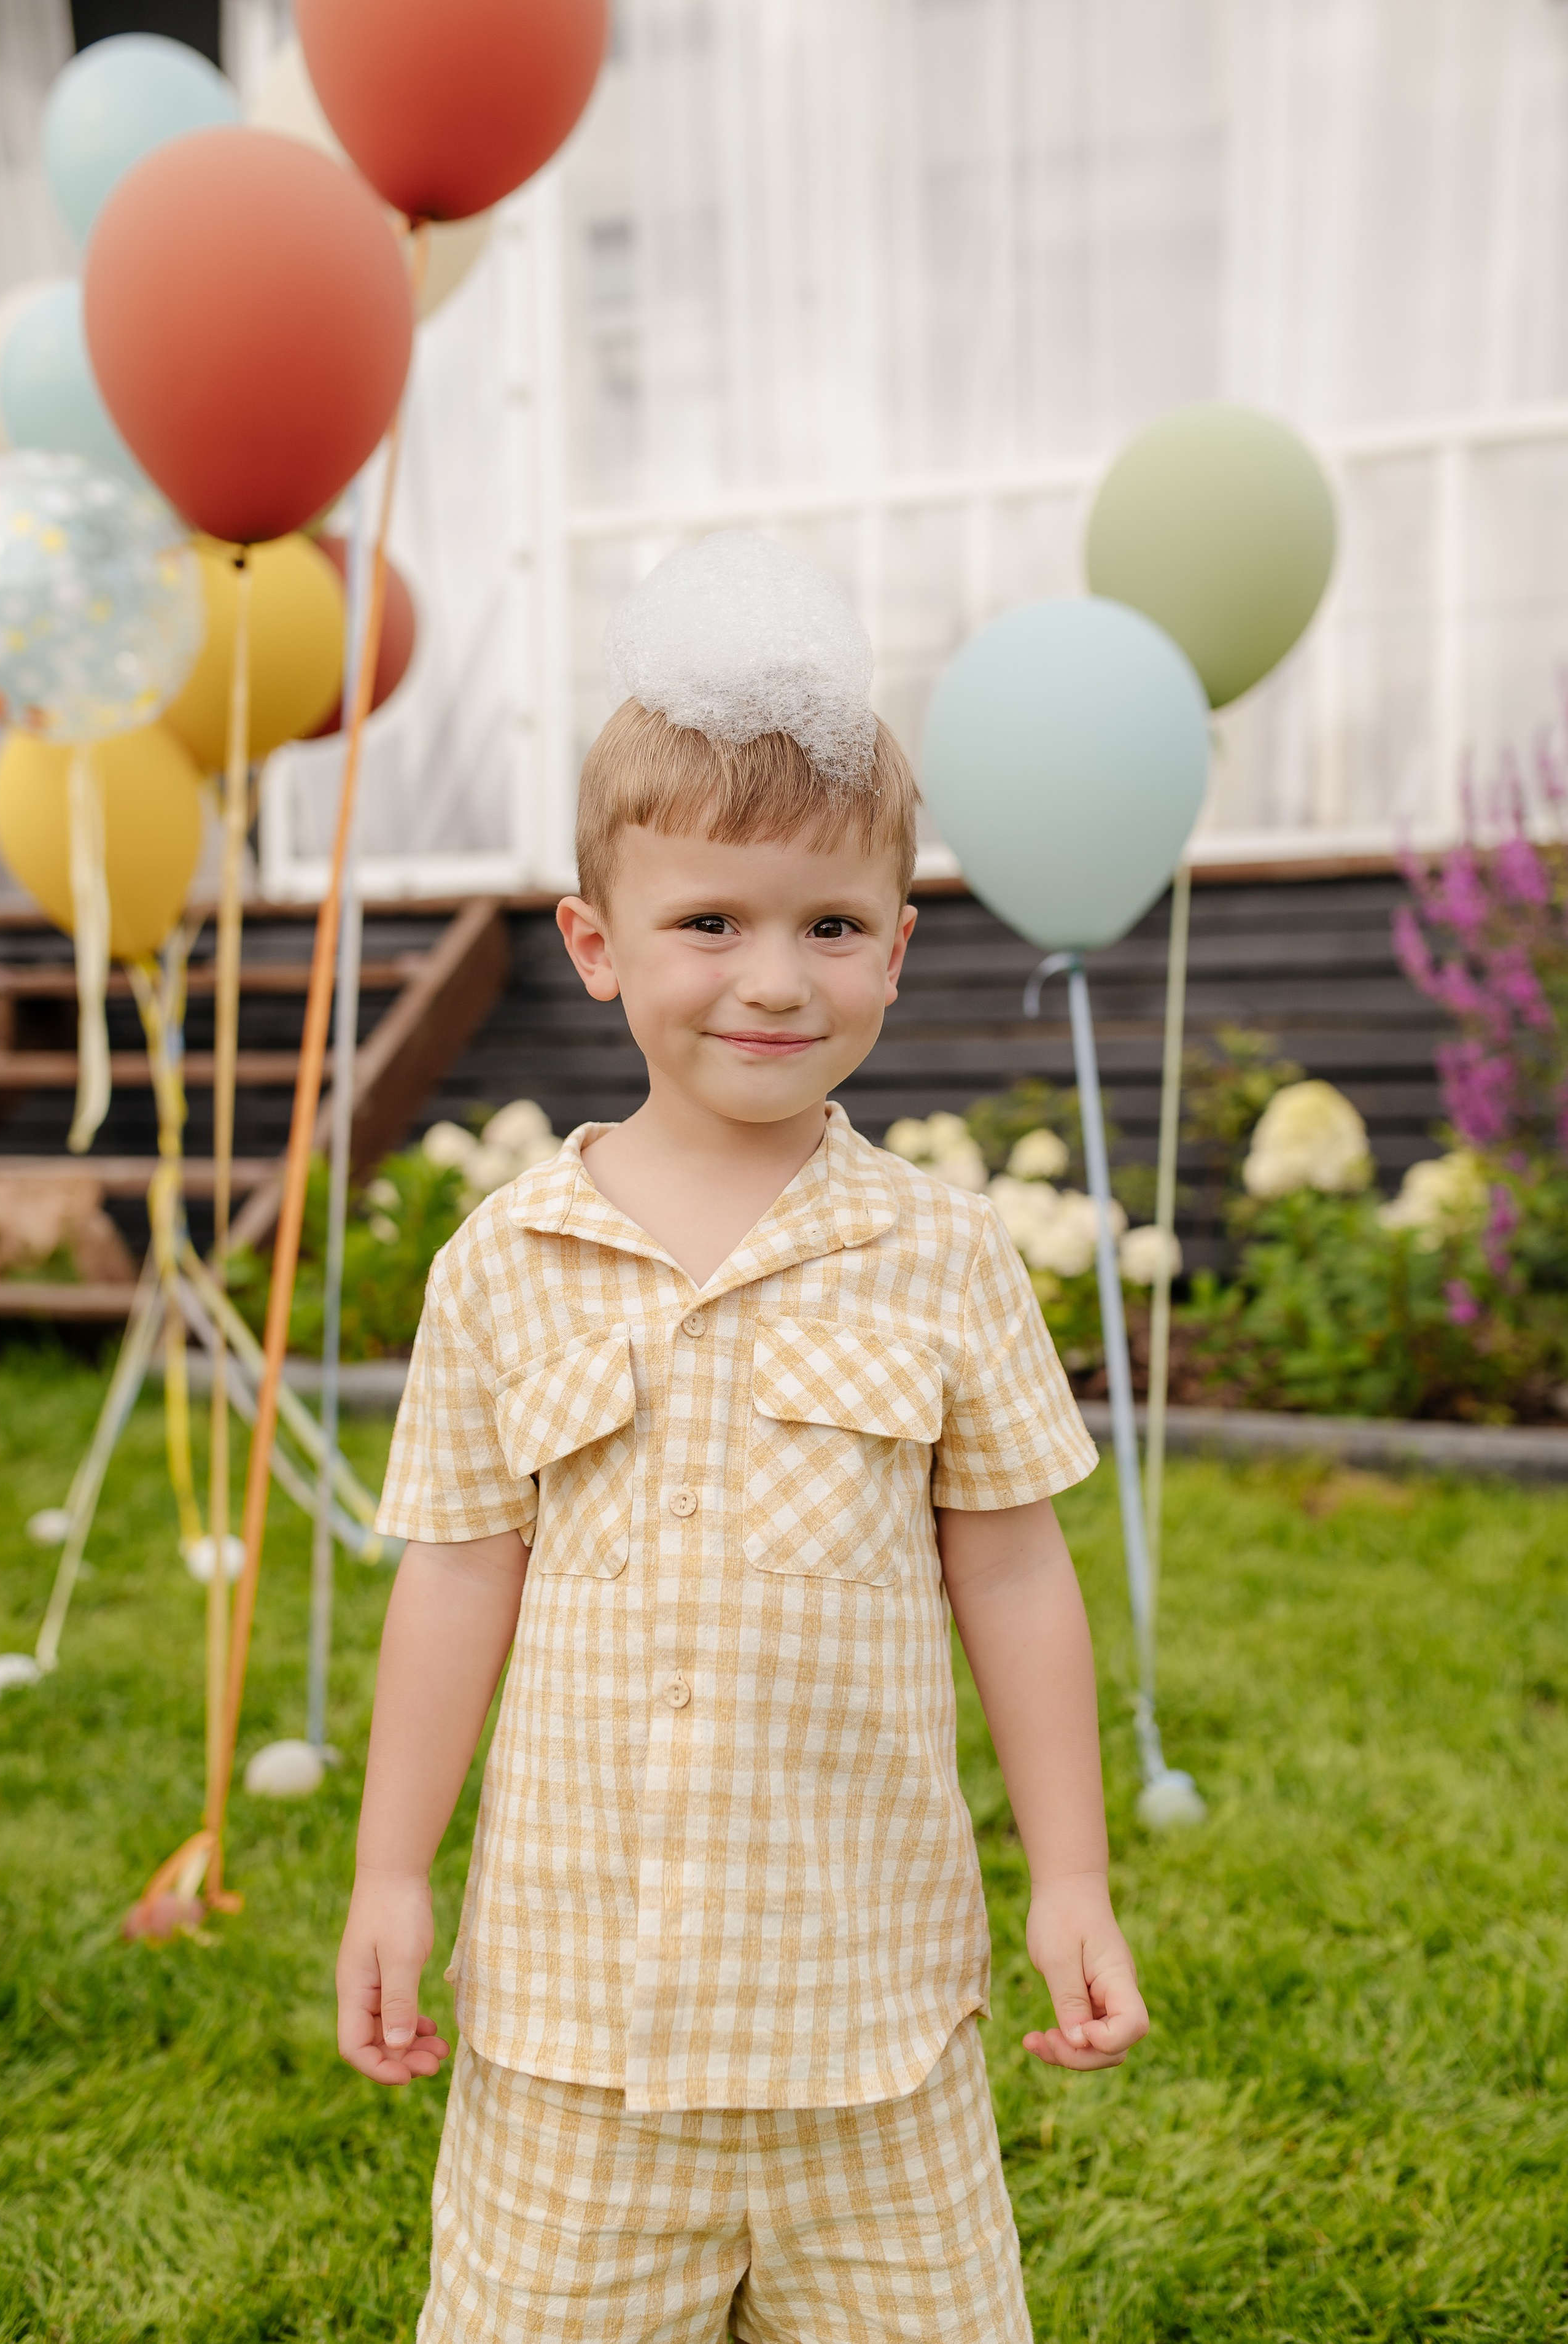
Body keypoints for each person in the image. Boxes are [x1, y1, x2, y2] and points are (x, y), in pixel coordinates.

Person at [337, 532, 1149, 2342]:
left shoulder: (939, 1254)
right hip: (571, 2042)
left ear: (896, 947)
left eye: (828, 926)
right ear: (597, 942)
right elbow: (459, 1575)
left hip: (873, 2042)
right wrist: (395, 1868)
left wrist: (1071, 1877)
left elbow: (1012, 1568)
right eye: (712, 921)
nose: (772, 978)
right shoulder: (506, 1261)